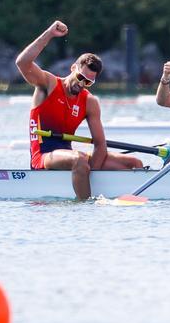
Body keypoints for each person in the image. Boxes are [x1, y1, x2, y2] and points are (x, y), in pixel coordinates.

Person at [16, 20, 142, 200]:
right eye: (80, 77)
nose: (82, 84)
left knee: (134, 163)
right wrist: (49, 34)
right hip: (43, 156)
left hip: (71, 157)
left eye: (88, 82)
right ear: (73, 68)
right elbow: (22, 63)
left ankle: (133, 201)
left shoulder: (90, 102)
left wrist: (93, 172)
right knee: (80, 159)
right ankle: (85, 207)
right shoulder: (49, 84)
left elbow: (100, 145)